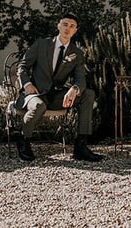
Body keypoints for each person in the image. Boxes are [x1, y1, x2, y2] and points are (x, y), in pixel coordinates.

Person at [15, 13, 103, 162]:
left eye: (72, 26)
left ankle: (80, 146)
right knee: (39, 105)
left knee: (88, 94)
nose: (68, 28)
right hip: (35, 94)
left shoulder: (76, 53)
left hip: (56, 97)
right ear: (58, 26)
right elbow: (22, 66)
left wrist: (74, 89)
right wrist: (27, 84)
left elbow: (80, 79)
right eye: (65, 24)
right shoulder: (41, 44)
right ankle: (23, 140)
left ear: (76, 30)